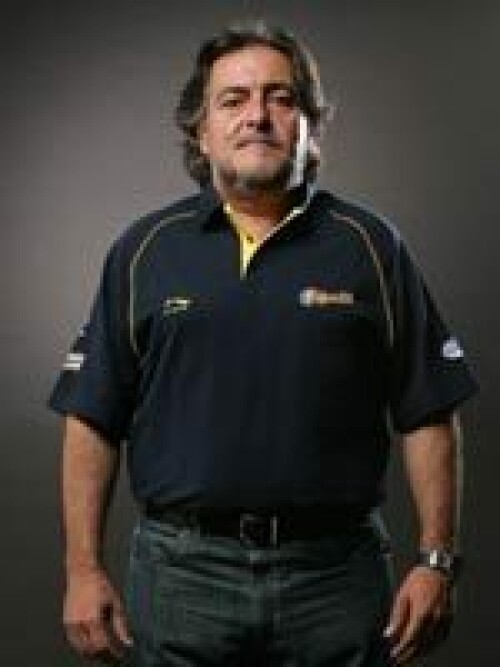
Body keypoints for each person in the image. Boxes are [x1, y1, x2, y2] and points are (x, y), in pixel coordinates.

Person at [49, 21, 477, 666]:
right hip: (180, 577)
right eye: (234, 99)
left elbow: (428, 411)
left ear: (310, 124)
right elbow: (92, 417)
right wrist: (83, 569)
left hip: (337, 579)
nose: (258, 116)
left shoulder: (370, 246)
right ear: (200, 130)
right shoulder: (143, 251)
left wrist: (437, 560)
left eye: (281, 97)